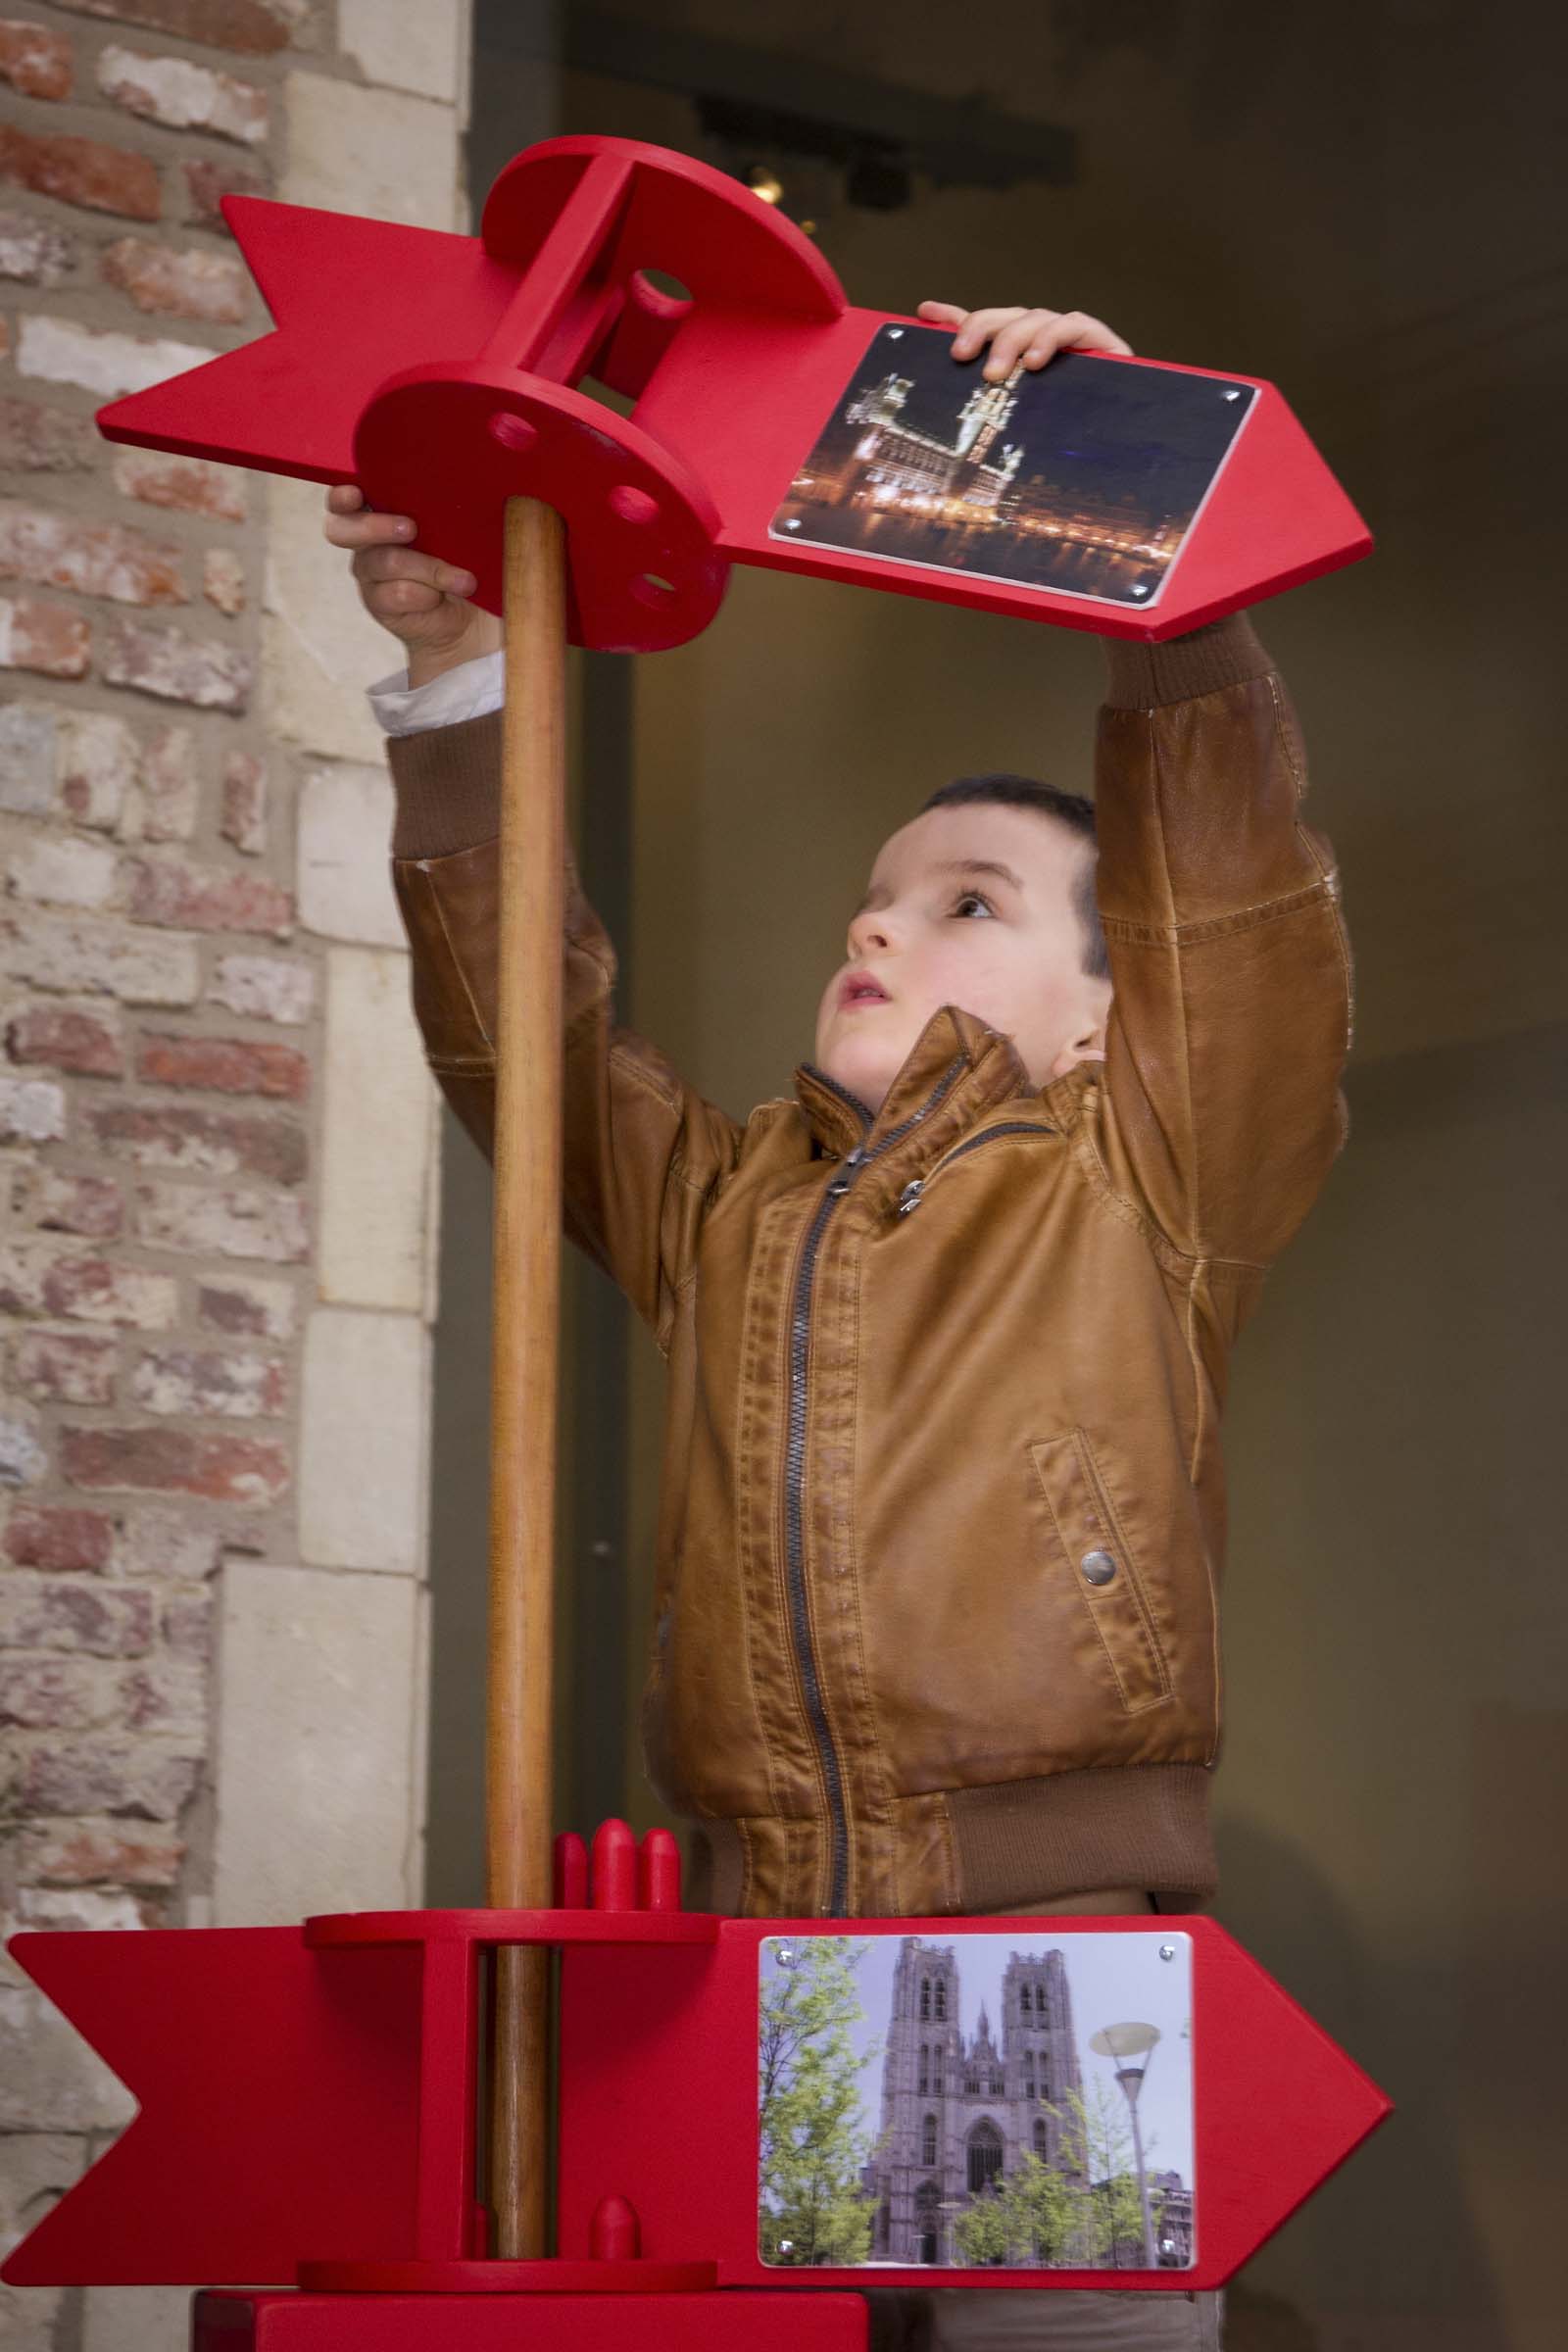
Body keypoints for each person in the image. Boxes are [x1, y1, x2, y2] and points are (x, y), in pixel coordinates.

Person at [327, 300, 1350, 2352]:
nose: (875, 924)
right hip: (743, 1952)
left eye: (964, 903)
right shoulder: (721, 1204)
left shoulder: (1141, 1169)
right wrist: (455, 680)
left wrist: (1120, 492)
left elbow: (1222, 883)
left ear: (1110, 1011)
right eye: (869, 903)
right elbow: (519, 1042)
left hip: (1032, 1965)